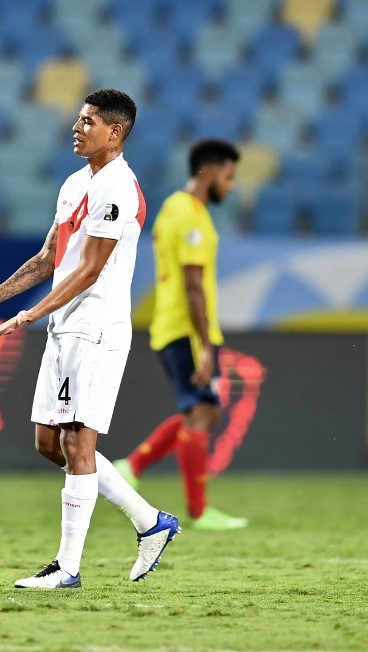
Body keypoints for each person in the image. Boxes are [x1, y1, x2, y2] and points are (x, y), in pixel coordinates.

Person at [0, 89, 179, 589]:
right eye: (77, 118)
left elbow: (89, 270)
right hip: (64, 325)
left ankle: (66, 568)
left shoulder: (117, 188)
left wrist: (29, 315)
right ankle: (150, 521)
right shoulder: (76, 183)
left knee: (77, 441)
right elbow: (51, 258)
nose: (76, 127)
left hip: (95, 327)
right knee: (50, 444)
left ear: (114, 132)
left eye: (88, 121)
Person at [112, 139, 248, 531]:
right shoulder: (191, 216)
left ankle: (132, 465)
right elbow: (193, 285)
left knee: (201, 411)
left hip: (173, 324)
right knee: (202, 412)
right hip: (186, 327)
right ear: (208, 172)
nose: (232, 185)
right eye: (228, 175)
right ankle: (200, 511)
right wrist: (205, 345)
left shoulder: (174, 206)